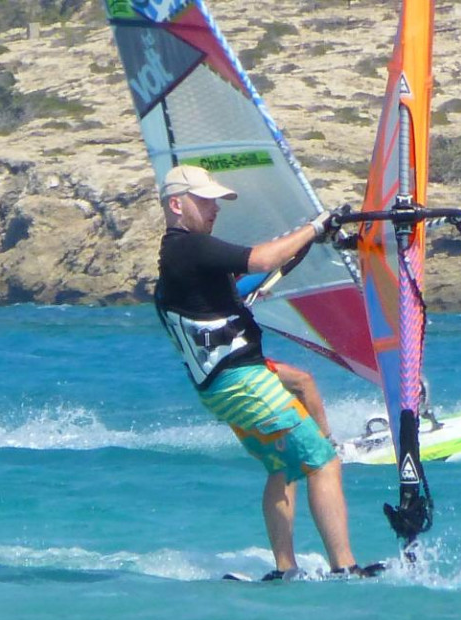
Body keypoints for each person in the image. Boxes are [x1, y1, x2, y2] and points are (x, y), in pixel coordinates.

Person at [153, 164, 372, 579]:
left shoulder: (181, 258)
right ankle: (345, 568)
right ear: (177, 205)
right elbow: (262, 258)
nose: (215, 209)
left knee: (283, 465)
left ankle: (285, 569)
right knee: (322, 463)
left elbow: (253, 273)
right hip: (243, 382)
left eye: (215, 202)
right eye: (205, 201)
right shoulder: (190, 247)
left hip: (223, 386)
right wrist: (315, 226)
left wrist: (313, 239)